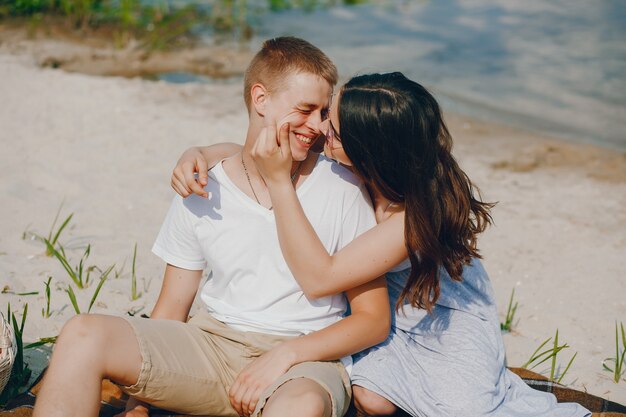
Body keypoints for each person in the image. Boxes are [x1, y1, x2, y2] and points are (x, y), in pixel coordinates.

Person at [172, 72, 591, 416]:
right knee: (371, 396)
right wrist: (202, 151)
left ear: (369, 150)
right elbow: (253, 153)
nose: (319, 129)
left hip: (442, 314)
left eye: (332, 128)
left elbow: (321, 279)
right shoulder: (362, 165)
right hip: (388, 307)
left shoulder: (412, 218)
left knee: (462, 409)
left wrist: (285, 354)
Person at [32, 37, 391, 417]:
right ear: (261, 99)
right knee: (81, 334)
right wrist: (142, 402)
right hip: (211, 346)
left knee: (299, 407)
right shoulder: (203, 184)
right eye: (305, 110)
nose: (318, 126)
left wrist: (285, 356)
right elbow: (173, 305)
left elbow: (371, 319)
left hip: (304, 364)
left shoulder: (342, 187)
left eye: (323, 112)